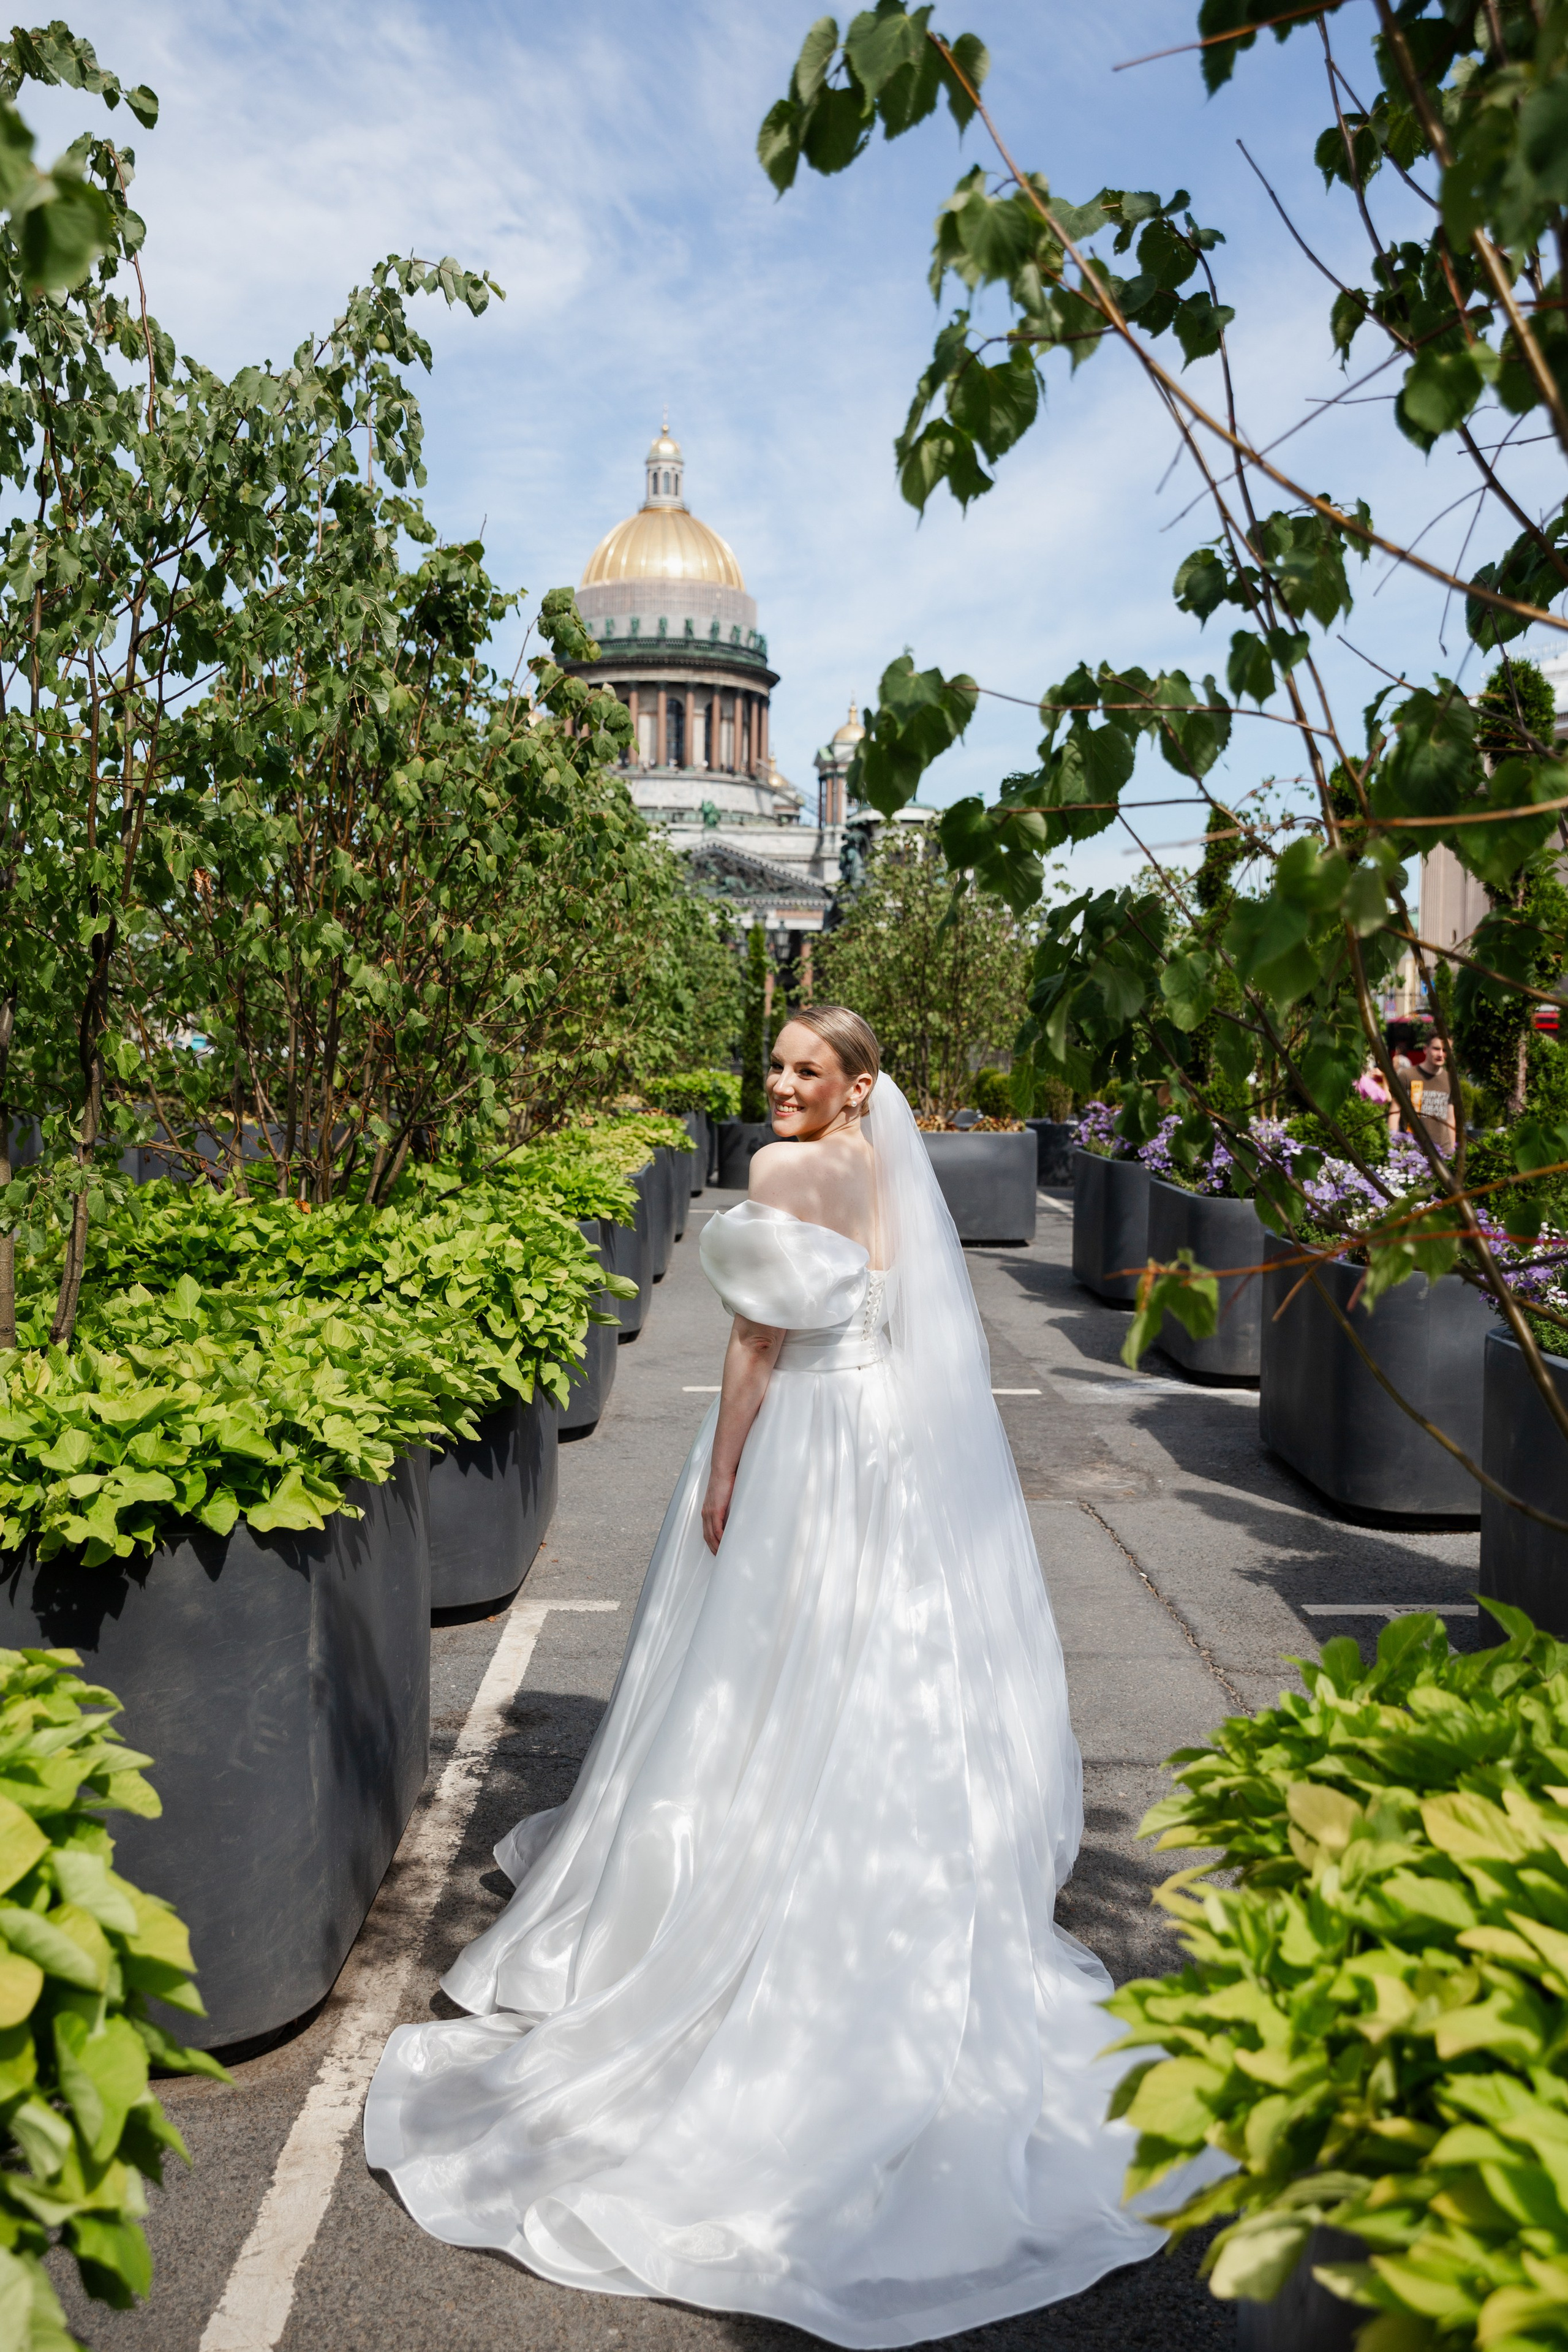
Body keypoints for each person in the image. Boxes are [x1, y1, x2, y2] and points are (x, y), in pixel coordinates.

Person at [365, 1008, 1177, 2346]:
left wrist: (728, 1467)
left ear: (856, 1089)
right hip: (882, 1446)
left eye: (809, 1070)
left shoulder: (787, 1174)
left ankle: (738, 1876)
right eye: (779, 1068)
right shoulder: (880, 1169)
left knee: (747, 1667)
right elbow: (906, 1320)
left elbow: (752, 1347)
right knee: (875, 1662)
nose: (782, 1085)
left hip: (802, 1434)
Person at [1414, 1035, 1457, 1155]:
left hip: (1442, 1151)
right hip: (1414, 1151)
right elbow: (1395, 1112)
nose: (1441, 1054)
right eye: (1436, 1049)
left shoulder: (1451, 1080)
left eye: (1445, 1050)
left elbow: (1450, 1118)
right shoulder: (1408, 1076)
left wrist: (1452, 1151)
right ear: (1425, 1049)